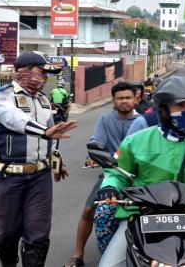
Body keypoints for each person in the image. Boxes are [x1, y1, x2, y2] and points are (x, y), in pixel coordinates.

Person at [96, 76, 185, 267]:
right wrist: (110, 187)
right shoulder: (137, 140)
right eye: (180, 106)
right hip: (141, 213)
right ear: (163, 109)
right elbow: (117, 173)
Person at [0, 51, 78, 267]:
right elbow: (14, 118)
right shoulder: (2, 96)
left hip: (40, 176)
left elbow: (52, 134)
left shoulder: (44, 100)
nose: (44, 78)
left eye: (47, 74)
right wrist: (44, 132)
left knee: (38, 233)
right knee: (5, 232)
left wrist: (57, 160)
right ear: (23, 71)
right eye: (40, 72)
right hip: (7, 175)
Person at [64, 82, 139, 267]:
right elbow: (96, 141)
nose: (124, 102)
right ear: (113, 100)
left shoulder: (143, 121)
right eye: (120, 98)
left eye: (128, 98)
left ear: (136, 99)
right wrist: (93, 157)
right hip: (112, 172)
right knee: (90, 210)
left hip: (139, 175)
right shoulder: (105, 119)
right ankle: (78, 255)